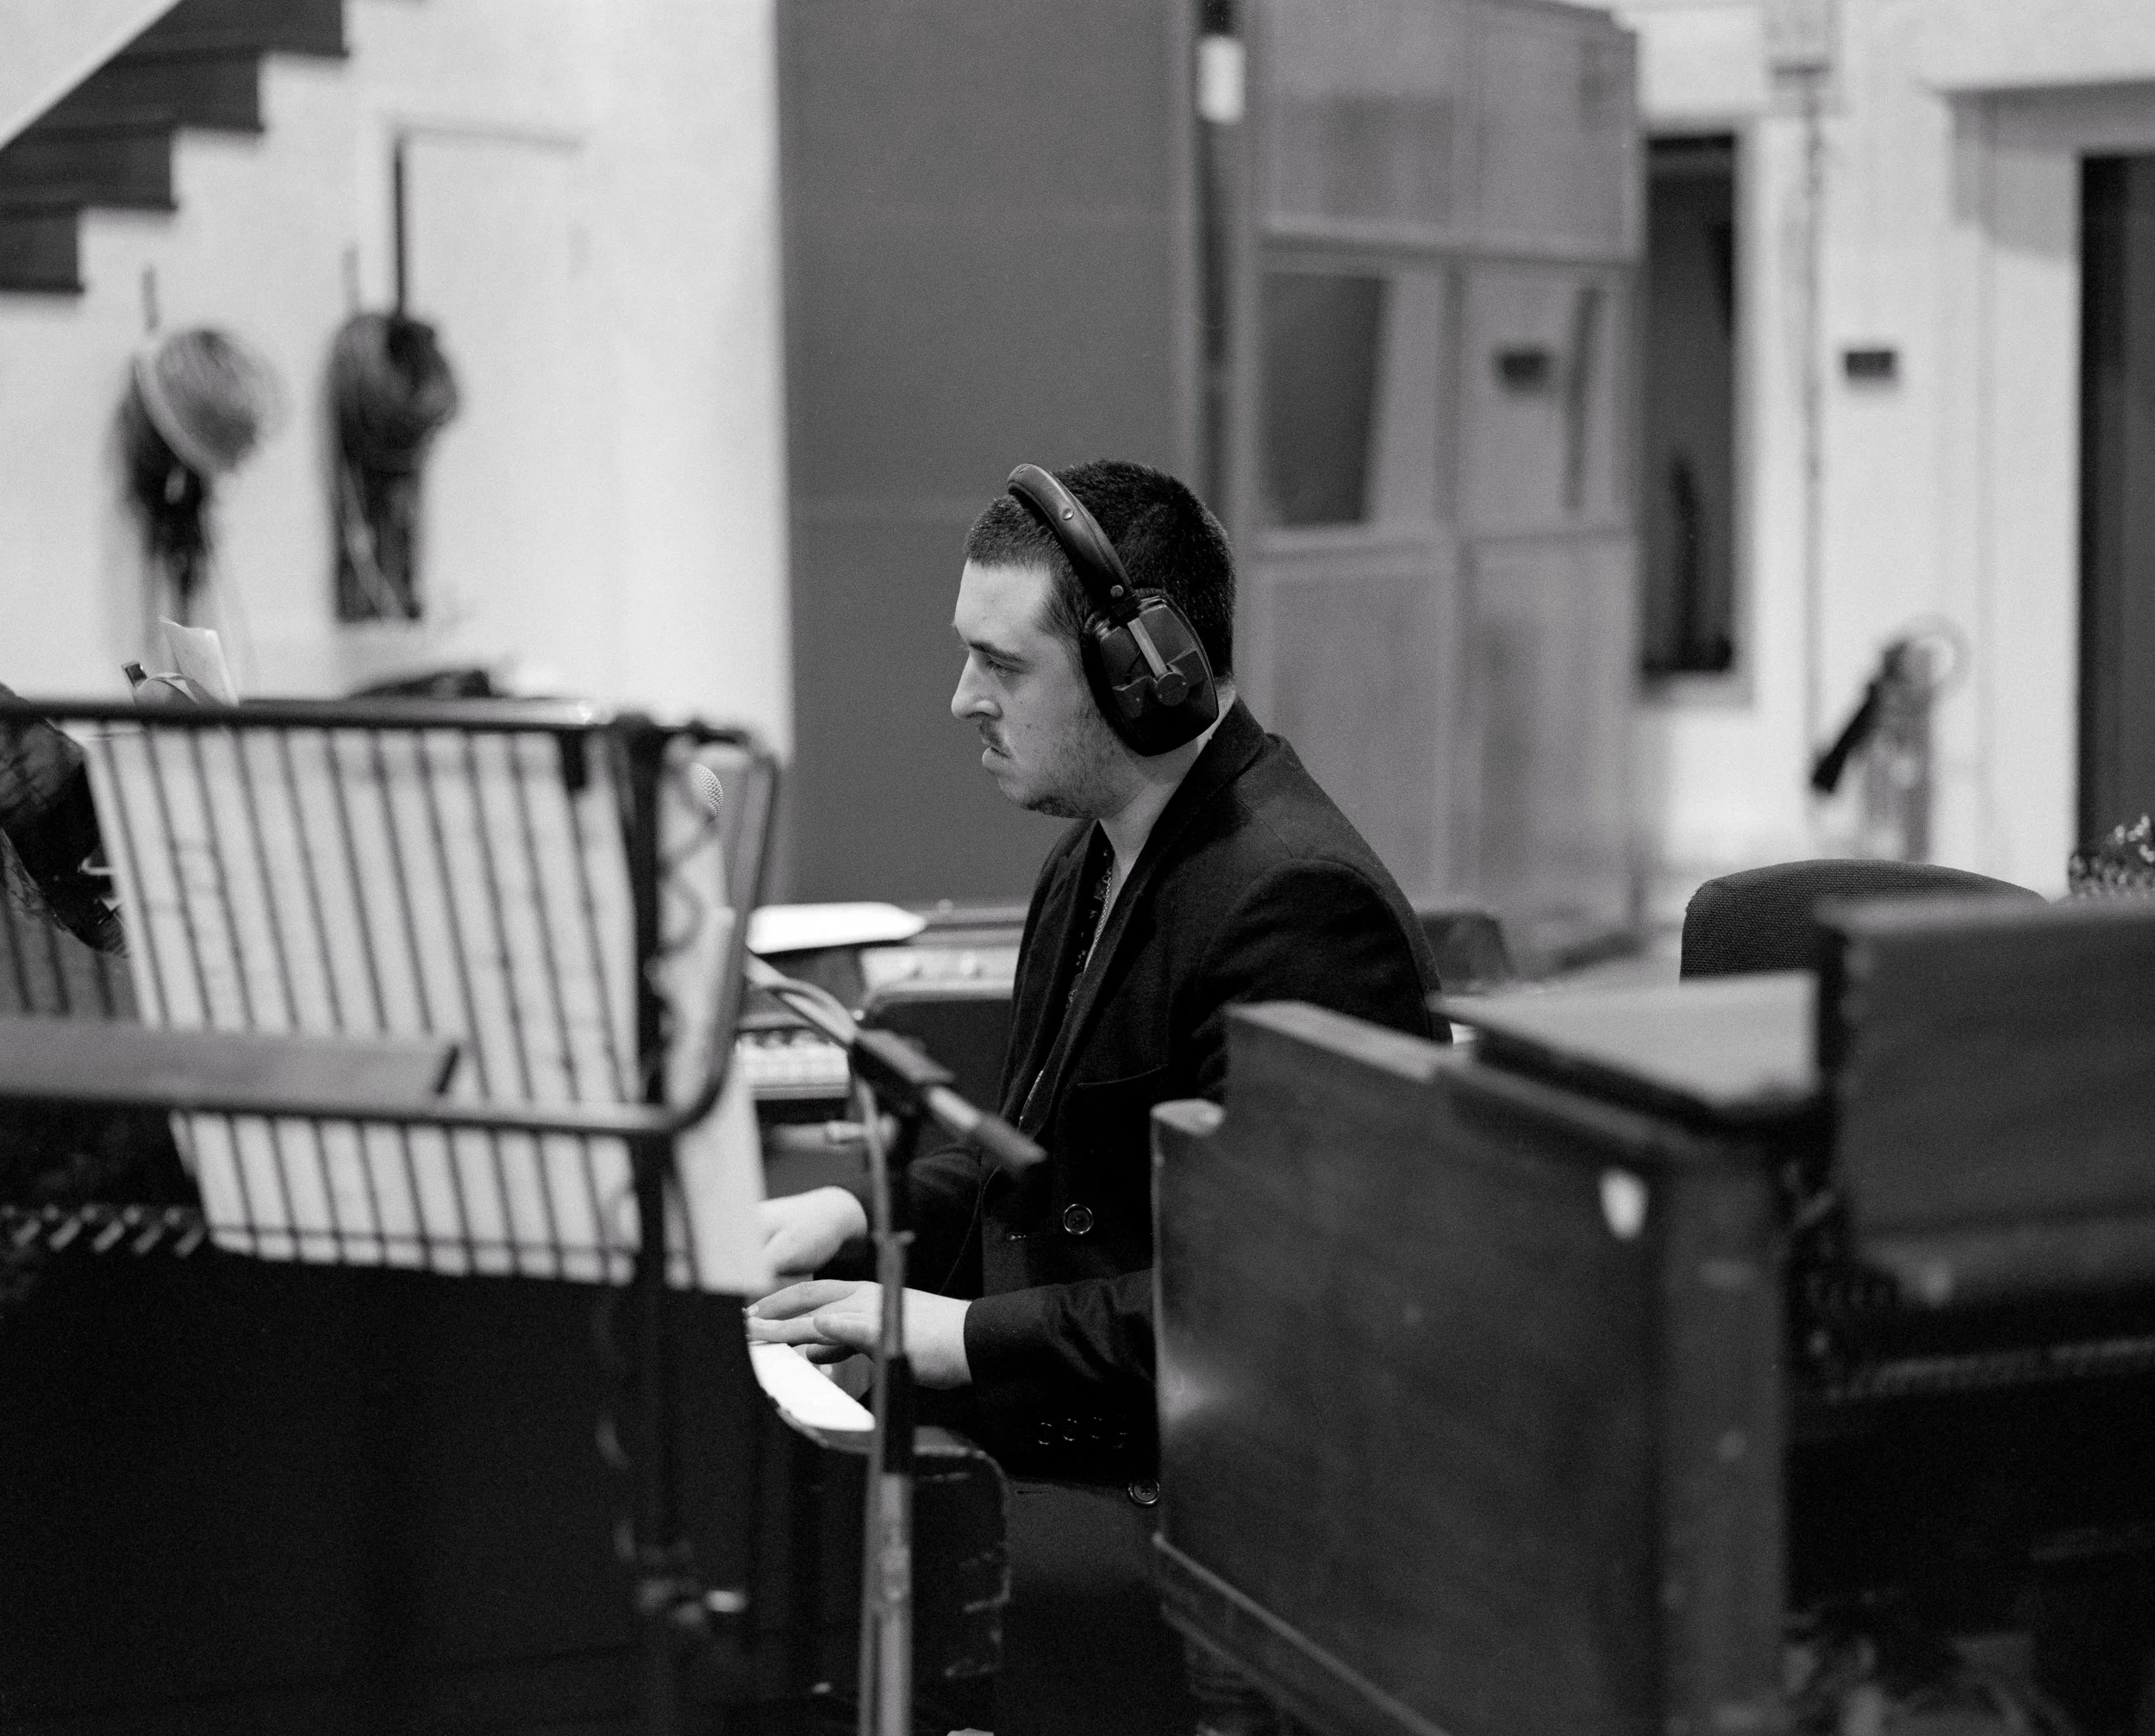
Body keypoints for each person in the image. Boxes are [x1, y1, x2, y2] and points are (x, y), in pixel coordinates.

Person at [749, 459, 1441, 1733]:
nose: (962, 699)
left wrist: (942, 1333)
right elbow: (1037, 1161)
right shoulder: (1095, 857)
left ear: (1148, 669)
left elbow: (1263, 1320)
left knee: (813, 1598)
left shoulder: (1294, 905)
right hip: (1078, 1424)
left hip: (1201, 1502)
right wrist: (847, 1215)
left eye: (1003, 666)